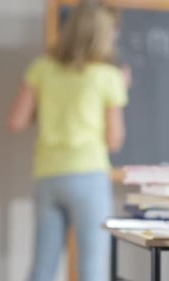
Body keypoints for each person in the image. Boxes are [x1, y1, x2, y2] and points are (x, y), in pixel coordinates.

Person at [7, 2, 129, 281]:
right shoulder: (108, 76)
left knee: (43, 267)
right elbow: (114, 140)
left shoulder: (42, 67)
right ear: (103, 34)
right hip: (88, 175)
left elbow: (16, 121)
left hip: (48, 174)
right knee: (92, 269)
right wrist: (121, 88)